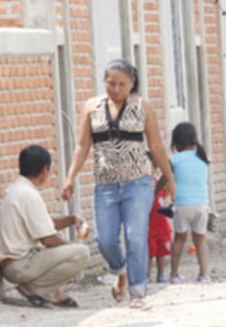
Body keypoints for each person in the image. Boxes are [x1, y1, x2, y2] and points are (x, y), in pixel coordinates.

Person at [61, 59, 175, 309]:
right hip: (106, 185)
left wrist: (169, 179)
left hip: (138, 183)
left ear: (131, 84)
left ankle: (137, 292)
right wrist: (70, 177)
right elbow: (82, 145)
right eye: (110, 83)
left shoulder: (142, 107)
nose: (115, 88)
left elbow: (155, 145)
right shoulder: (92, 107)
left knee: (136, 237)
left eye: (121, 84)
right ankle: (119, 270)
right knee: (106, 240)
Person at [0, 145, 90, 308]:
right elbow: (48, 239)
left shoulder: (18, 188)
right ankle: (41, 290)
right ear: (45, 170)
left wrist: (72, 219)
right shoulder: (29, 195)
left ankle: (46, 290)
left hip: (15, 264)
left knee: (67, 248)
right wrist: (71, 247)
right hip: (19, 266)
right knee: (81, 253)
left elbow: (43, 224)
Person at [160, 122, 211, 284]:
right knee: (200, 239)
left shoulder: (174, 160)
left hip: (182, 205)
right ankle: (204, 274)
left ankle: (174, 274)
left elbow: (164, 180)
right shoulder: (203, 158)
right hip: (201, 205)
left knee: (180, 239)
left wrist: (154, 192)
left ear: (175, 143)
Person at [147, 154, 172, 284]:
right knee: (149, 252)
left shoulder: (159, 183)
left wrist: (168, 199)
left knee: (161, 252)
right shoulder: (141, 187)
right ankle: (146, 274)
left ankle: (161, 274)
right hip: (149, 225)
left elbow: (168, 193)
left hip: (161, 224)